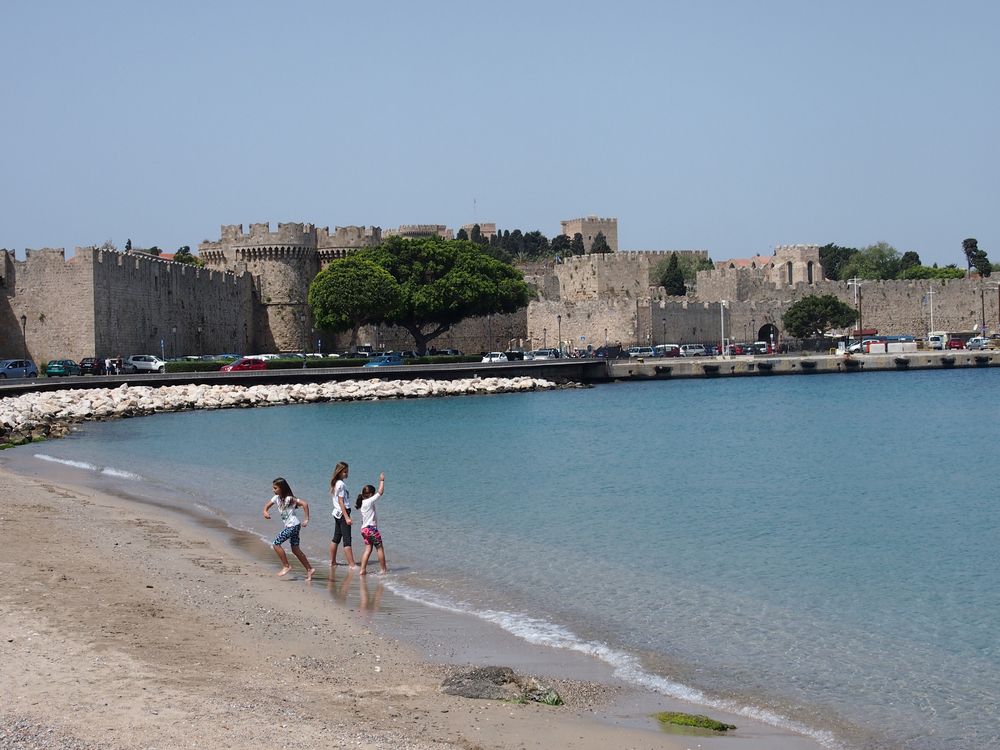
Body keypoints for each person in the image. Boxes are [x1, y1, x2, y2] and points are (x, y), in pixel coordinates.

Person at [262, 477, 315, 580]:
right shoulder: (276, 498)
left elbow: (305, 504)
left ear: (282, 488)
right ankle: (309, 569)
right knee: (295, 549)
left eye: (275, 488)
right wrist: (265, 512)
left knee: (276, 544)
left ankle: (286, 566)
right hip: (293, 526)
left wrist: (306, 519)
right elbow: (266, 507)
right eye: (273, 488)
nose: (273, 490)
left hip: (293, 525)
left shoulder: (289, 499)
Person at [355, 472, 388, 575]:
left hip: (364, 530)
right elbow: (380, 492)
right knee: (379, 548)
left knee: (368, 549)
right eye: (372, 495)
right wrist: (382, 480)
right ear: (370, 495)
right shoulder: (369, 501)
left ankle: (362, 570)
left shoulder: (363, 503)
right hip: (371, 529)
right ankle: (383, 570)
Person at [329, 461, 357, 569]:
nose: (346, 474)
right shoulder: (340, 484)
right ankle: (352, 565)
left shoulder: (336, 483)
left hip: (337, 512)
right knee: (347, 540)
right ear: (339, 472)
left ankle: (333, 562)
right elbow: (341, 501)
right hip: (342, 513)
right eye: (345, 472)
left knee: (336, 538)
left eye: (347, 471)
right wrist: (347, 517)